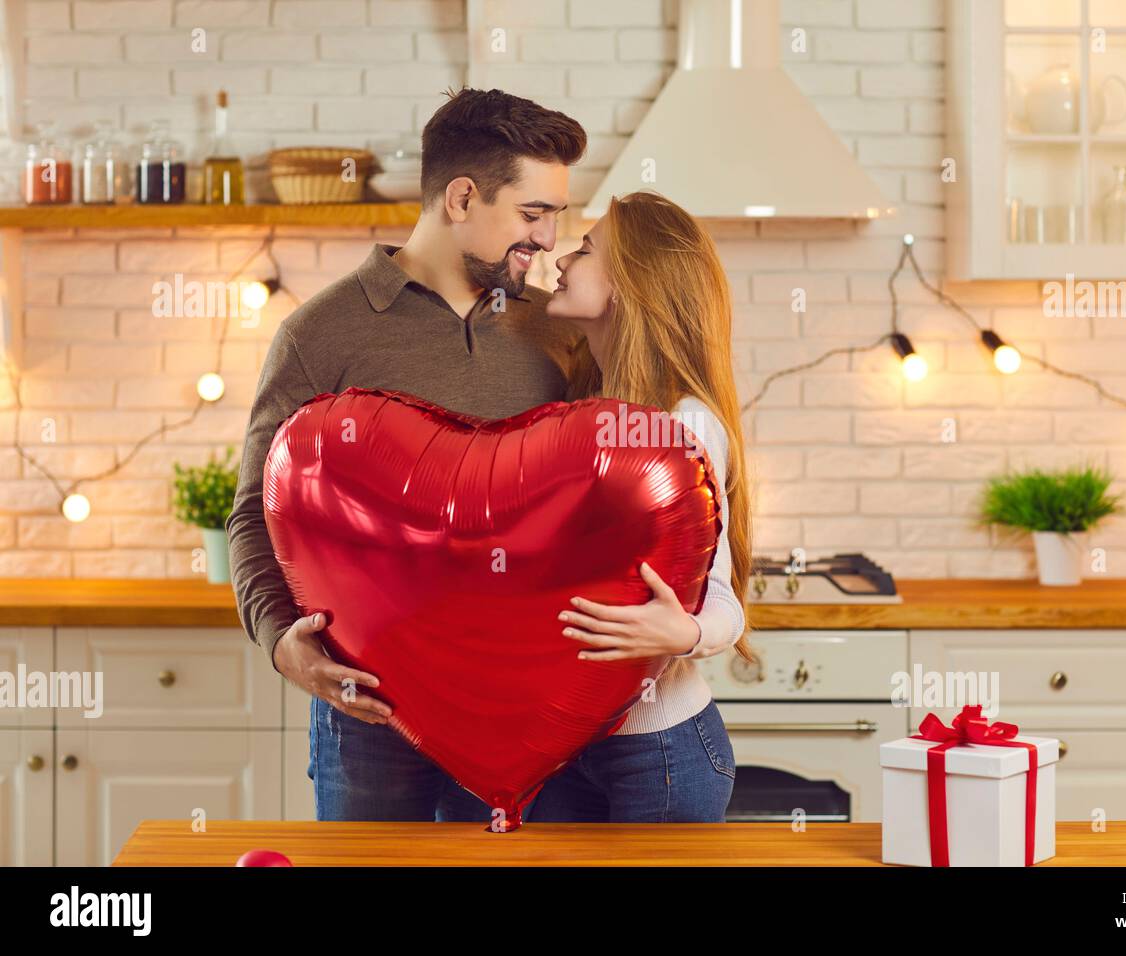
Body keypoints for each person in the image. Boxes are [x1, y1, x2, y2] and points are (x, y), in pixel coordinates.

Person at [226, 87, 589, 822]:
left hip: (525, 706)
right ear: (461, 197)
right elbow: (251, 513)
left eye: (556, 216)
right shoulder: (317, 334)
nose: (549, 239)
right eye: (533, 214)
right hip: (369, 712)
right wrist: (278, 643)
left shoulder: (559, 333)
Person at [438, 190, 754, 824]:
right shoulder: (583, 404)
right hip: (564, 748)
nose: (559, 259)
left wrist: (684, 633)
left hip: (659, 750)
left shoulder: (683, 423)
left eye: (584, 250)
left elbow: (722, 598)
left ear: (632, 283)